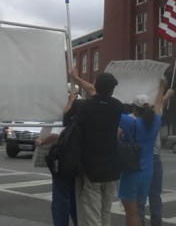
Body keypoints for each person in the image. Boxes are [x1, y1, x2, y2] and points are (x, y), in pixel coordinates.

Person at [67, 68, 123, 226]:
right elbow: (97, 92)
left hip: (91, 169)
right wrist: (78, 78)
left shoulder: (84, 107)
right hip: (112, 168)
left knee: (92, 215)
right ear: (112, 90)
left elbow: (68, 121)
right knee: (105, 213)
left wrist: (75, 78)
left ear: (96, 86)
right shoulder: (117, 107)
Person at [118, 80, 169, 226]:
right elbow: (158, 105)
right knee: (141, 207)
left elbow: (111, 112)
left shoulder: (130, 122)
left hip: (131, 172)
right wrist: (162, 88)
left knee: (132, 213)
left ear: (135, 109)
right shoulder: (156, 122)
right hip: (147, 173)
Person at [36, 92, 79, 226]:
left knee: (60, 197)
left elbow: (55, 135)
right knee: (74, 197)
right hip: (78, 161)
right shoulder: (83, 116)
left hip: (63, 161)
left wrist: (41, 141)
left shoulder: (62, 118)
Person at [138, 86, 174, 226]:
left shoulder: (133, 121)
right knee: (155, 196)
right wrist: (165, 92)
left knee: (140, 198)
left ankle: (140, 222)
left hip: (140, 161)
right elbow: (160, 104)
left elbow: (159, 104)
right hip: (155, 160)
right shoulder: (155, 120)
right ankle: (156, 223)